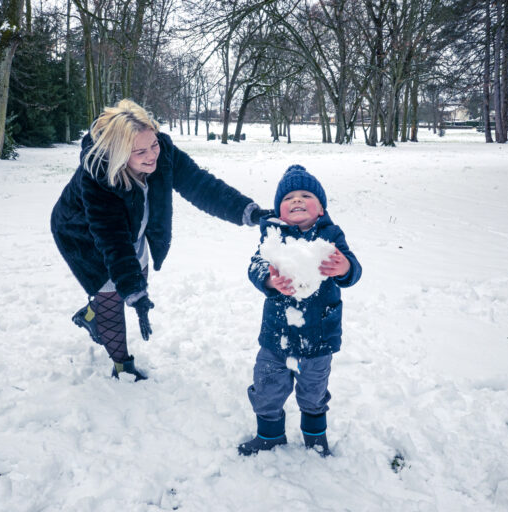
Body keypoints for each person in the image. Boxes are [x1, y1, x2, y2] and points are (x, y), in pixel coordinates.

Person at [51, 99, 269, 380]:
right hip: (82, 234)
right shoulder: (98, 177)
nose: (152, 155)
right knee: (112, 292)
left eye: (153, 144)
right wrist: (134, 293)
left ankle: (93, 313)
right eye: (140, 151)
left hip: (130, 225)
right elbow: (113, 241)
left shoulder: (162, 152)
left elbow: (200, 185)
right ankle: (122, 366)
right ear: (119, 153)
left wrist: (248, 212)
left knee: (135, 276)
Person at [238, 165, 361, 457]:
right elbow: (256, 265)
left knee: (314, 394)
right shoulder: (273, 236)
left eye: (306, 196)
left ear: (321, 209)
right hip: (276, 336)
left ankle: (315, 438)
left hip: (318, 336)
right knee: (267, 389)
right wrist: (269, 280)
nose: (297, 200)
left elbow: (353, 270)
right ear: (279, 211)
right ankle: (269, 436)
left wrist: (344, 267)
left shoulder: (330, 235)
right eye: (288, 197)